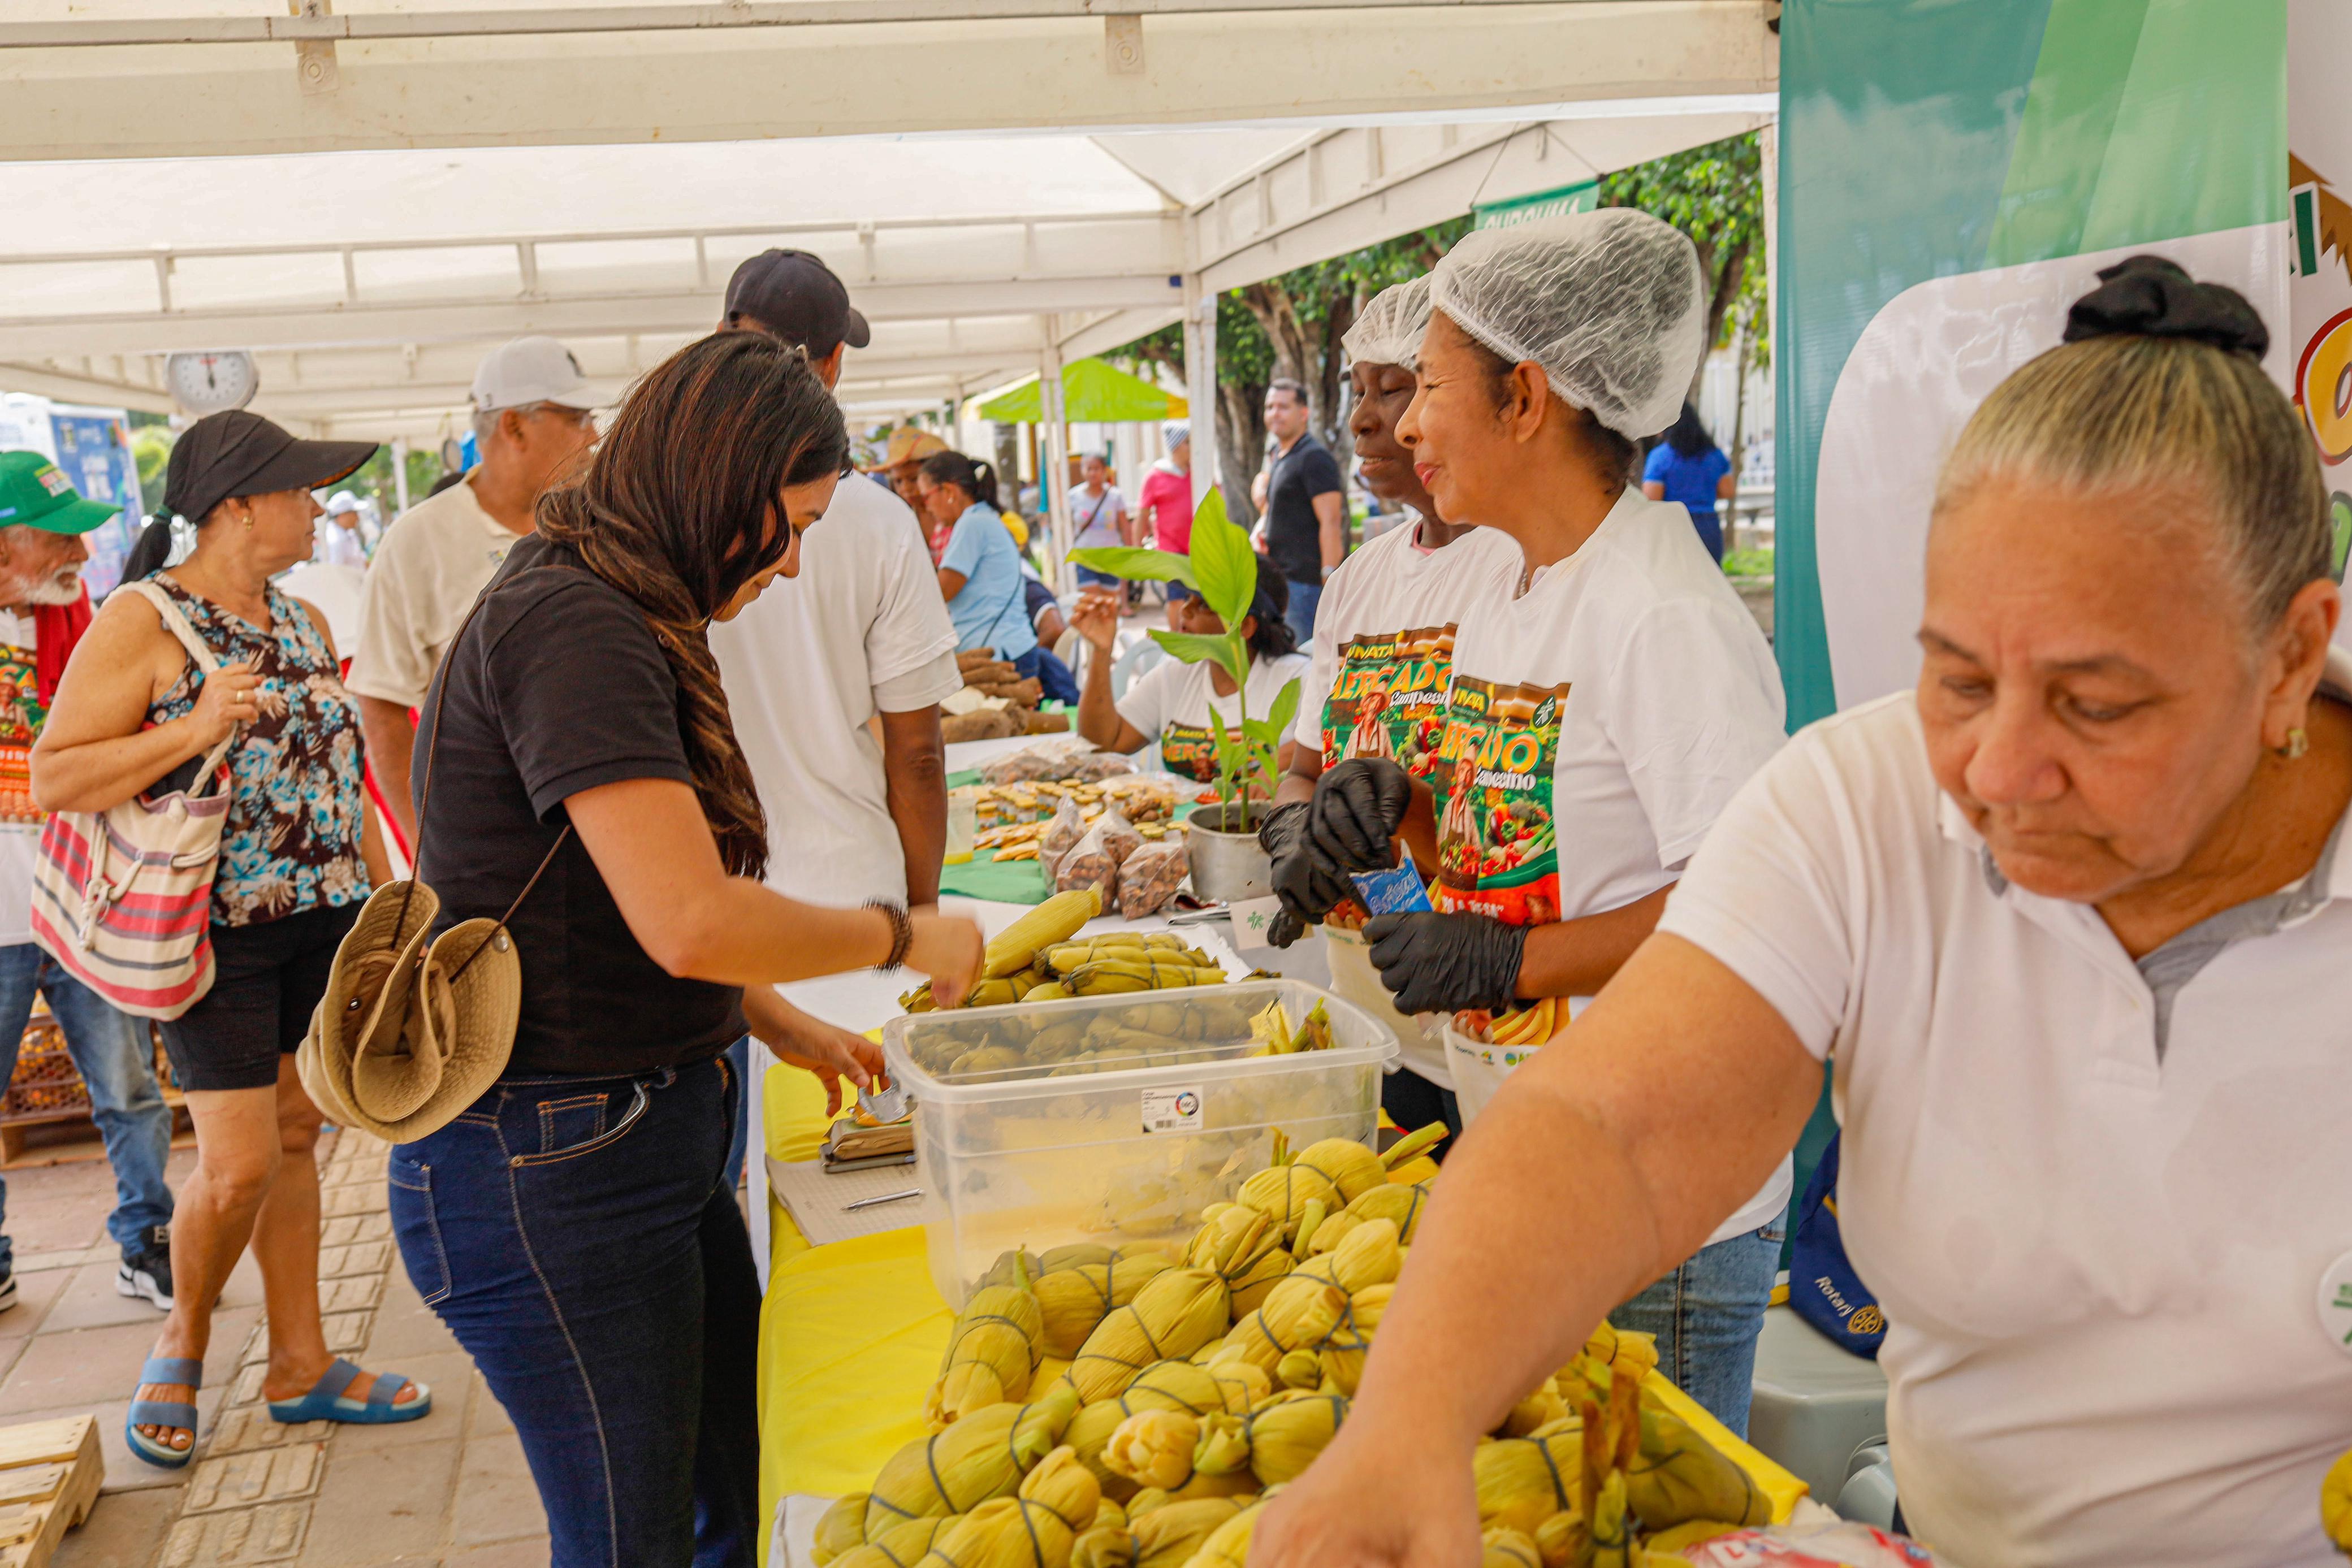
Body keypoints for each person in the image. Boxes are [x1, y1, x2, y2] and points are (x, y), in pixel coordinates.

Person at [1257, 256, 2352, 1568]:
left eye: (2095, 705)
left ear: (2290, 656)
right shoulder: (1858, 805)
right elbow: (1607, 1127)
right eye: (1955, 677)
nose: (1999, 771)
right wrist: (1410, 1423)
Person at [392, 332, 983, 1567]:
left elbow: (617, 906)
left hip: (622, 1137)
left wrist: (778, 1021)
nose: (794, 560)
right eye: (797, 521)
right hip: (551, 1168)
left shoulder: (609, 599)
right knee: (631, 1541)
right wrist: (899, 929)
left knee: (726, 1488)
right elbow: (689, 914)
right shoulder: (575, 622)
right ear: (725, 480)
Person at [1282, 210, 1791, 1434]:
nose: (1403, 426)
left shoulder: (1658, 614)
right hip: (1541, 1147)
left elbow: (1752, 910)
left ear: (1523, 398)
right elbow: (1506, 831)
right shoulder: (1518, 587)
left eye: (1432, 389)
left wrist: (1515, 960)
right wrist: (1395, 815)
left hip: (1657, 1196)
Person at [32, 411, 405, 1468]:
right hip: (216, 933)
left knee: (299, 1134)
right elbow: (58, 774)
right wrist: (194, 728)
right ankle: (181, 1334)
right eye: (303, 492)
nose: (319, 507)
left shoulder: (296, 615)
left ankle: (301, 1362)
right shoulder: (142, 617)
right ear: (239, 503)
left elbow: (345, 782)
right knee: (237, 1164)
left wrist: (389, 914)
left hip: (323, 918)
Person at [706, 248, 963, 1188]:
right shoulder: (875, 519)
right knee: (877, 1183)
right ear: (832, 367)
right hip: (858, 906)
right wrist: (924, 909)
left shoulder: (668, 506)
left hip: (717, 910)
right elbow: (917, 750)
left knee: (756, 1186)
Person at [1260, 278, 1519, 1137]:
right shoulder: (1357, 582)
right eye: (1357, 392)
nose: (1369, 420)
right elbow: (1304, 768)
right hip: (1381, 1018)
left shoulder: (1521, 568)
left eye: (1398, 386)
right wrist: (1294, 832)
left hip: (1498, 1027)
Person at [0, 454, 178, 1313]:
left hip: (81, 897)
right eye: (57, 530)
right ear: (6, 543)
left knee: (130, 1085)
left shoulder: (82, 617)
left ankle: (147, 1240)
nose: (80, 546)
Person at [347, 336, 598, 847]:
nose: (592, 434)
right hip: (487, 844)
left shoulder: (603, 525)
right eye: (575, 418)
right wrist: (425, 848)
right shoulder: (417, 542)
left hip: (606, 826)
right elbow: (381, 706)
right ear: (513, 426)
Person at [1070, 575, 1306, 782]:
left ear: (1244, 626)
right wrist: (1101, 653)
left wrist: (1282, 759)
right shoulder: (1174, 675)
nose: (1185, 611)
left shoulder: (1299, 677)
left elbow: (1331, 744)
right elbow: (1103, 744)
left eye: (1203, 605)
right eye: (1187, 599)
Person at [920, 451, 1042, 677]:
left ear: (949, 491)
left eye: (926, 497)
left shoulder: (972, 524)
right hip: (1008, 648)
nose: (926, 507)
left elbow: (939, 594)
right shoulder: (981, 518)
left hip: (1000, 653)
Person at [1255, 378, 1345, 642]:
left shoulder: (1314, 457)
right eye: (1270, 407)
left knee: (1306, 666)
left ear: (1303, 413)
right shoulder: (1280, 455)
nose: (1275, 413)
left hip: (1306, 586)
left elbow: (1331, 521)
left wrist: (1329, 578)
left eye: (1283, 407)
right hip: (1280, 582)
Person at [1642, 401, 1737, 562]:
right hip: (1708, 526)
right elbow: (1728, 491)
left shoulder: (1660, 457)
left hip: (1674, 526)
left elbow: (1651, 498)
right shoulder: (1714, 455)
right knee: (1710, 581)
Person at [1135, 424, 1196, 626]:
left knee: (1197, 598)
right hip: (1171, 550)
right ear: (1176, 445)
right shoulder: (1155, 476)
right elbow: (1142, 515)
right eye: (1188, 442)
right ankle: (1177, 641)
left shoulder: (1198, 474)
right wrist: (1137, 551)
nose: (1193, 447)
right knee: (1176, 598)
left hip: (1198, 548)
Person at [1067, 451, 1132, 596]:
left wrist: (1129, 554)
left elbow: (1124, 527)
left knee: (1109, 605)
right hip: (1085, 556)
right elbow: (1065, 527)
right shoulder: (1073, 496)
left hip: (1109, 557)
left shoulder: (1115, 496)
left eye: (1096, 468)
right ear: (1082, 470)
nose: (1092, 473)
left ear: (1104, 470)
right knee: (1090, 601)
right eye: (1088, 469)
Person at [314, 490, 373, 568]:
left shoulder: (349, 533)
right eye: (354, 513)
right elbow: (337, 571)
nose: (357, 518)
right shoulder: (335, 539)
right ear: (343, 514)